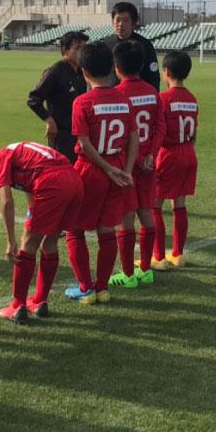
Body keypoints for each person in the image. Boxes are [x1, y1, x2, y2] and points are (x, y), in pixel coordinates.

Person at [63, 41, 138, 305]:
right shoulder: (124, 100)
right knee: (107, 230)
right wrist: (125, 171)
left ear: (84, 71)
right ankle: (102, 288)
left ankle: (85, 287)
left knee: (74, 229)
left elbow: (84, 144)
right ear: (110, 69)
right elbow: (133, 138)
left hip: (91, 170)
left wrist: (106, 168)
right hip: (118, 169)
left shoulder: (82, 102)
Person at [0, 143, 83, 322]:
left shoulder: (1, 158)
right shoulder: (20, 156)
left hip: (52, 182)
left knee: (27, 245)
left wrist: (10, 240)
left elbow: (6, 202)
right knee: (49, 243)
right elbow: (31, 188)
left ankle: (17, 305)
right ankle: (39, 301)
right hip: (74, 181)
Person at [110, 40, 165, 285]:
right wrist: (151, 155)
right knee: (147, 213)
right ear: (142, 65)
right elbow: (160, 126)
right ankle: (145, 268)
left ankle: (128, 274)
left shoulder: (117, 95)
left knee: (126, 217)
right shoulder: (153, 93)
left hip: (127, 164)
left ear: (117, 68)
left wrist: (138, 158)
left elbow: (120, 135)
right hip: (148, 164)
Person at [153, 51, 198, 268]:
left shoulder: (163, 99)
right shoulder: (191, 98)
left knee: (155, 204)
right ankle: (178, 254)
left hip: (169, 153)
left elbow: (159, 132)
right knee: (179, 203)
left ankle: (159, 256)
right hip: (188, 151)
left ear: (167, 72)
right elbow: (194, 133)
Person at [27, 31, 89, 163]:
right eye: (78, 48)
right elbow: (33, 99)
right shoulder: (56, 71)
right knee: (63, 170)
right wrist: (49, 120)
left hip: (80, 132)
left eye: (84, 48)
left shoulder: (82, 71)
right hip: (62, 134)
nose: (82, 52)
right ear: (65, 50)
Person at [101, 2, 161, 90]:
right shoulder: (106, 45)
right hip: (113, 98)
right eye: (117, 20)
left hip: (138, 97)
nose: (120, 24)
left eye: (125, 20)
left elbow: (153, 76)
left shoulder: (145, 45)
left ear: (133, 23)